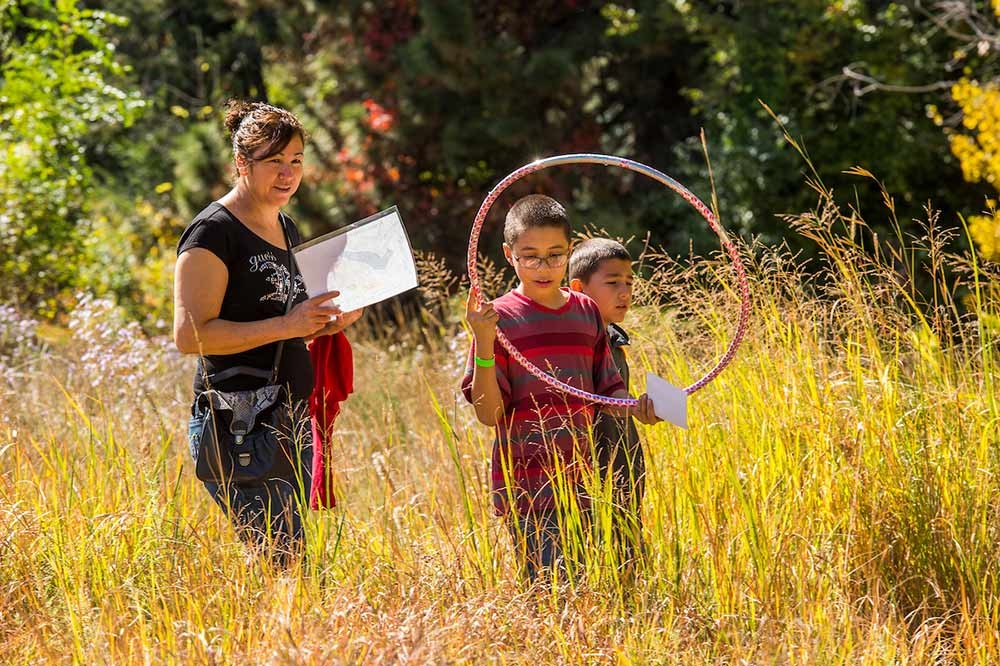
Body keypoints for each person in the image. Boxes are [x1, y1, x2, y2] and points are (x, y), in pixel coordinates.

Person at [173, 99, 361, 566]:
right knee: (282, 563)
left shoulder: (287, 228)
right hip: (238, 422)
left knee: (288, 564)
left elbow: (291, 326)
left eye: (295, 160)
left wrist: (326, 323)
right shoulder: (212, 233)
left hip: (287, 418)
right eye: (274, 161)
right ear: (242, 163)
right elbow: (190, 336)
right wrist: (287, 325)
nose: (287, 173)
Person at [461, 194, 659, 582]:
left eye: (555, 255)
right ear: (509, 254)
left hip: (585, 484)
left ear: (570, 250)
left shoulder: (585, 312)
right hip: (530, 487)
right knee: (552, 591)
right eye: (530, 256)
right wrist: (484, 341)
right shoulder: (497, 319)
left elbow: (607, 388)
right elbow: (488, 414)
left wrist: (635, 406)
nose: (544, 266)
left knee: (591, 589)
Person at [569, 238, 646, 574]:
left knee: (628, 554)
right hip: (589, 468)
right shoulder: (573, 341)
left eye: (629, 282)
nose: (625, 292)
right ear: (578, 289)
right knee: (587, 556)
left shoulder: (615, 340)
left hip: (624, 463)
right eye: (613, 283)